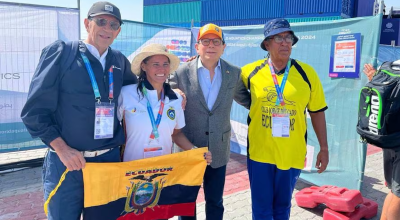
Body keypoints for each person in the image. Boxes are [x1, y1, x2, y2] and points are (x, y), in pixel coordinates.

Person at [20, 2, 137, 219]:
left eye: (113, 25)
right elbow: (34, 112)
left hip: (106, 163)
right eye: (101, 22)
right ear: (87, 23)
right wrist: (62, 150)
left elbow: (140, 93)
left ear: (118, 31)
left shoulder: (120, 61)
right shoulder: (63, 53)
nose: (107, 28)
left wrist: (173, 92)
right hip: (67, 164)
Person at [236, 18, 329, 220]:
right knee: (261, 209)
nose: (285, 42)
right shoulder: (249, 72)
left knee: (282, 208)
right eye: (278, 38)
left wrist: (324, 148)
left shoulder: (307, 74)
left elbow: (317, 111)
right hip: (260, 153)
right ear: (267, 44)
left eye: (288, 38)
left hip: (292, 153)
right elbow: (225, 82)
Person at [169, 23, 246, 220]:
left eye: (216, 41)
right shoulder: (181, 72)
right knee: (186, 205)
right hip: (188, 148)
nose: (210, 45)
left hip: (218, 150)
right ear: (197, 46)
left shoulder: (234, 73)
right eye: (205, 41)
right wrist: (173, 92)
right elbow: (161, 95)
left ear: (223, 46)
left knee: (215, 202)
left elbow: (246, 99)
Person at [117, 43, 211, 165]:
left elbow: (176, 134)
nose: (161, 69)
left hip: (163, 172)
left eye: (165, 64)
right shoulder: (126, 93)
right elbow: (113, 129)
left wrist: (195, 151)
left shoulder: (176, 98)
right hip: (131, 171)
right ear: (143, 66)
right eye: (155, 64)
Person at [364, 62, 400, 220]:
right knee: (398, 196)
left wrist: (374, 76)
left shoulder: (391, 65)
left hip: (390, 136)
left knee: (395, 191)